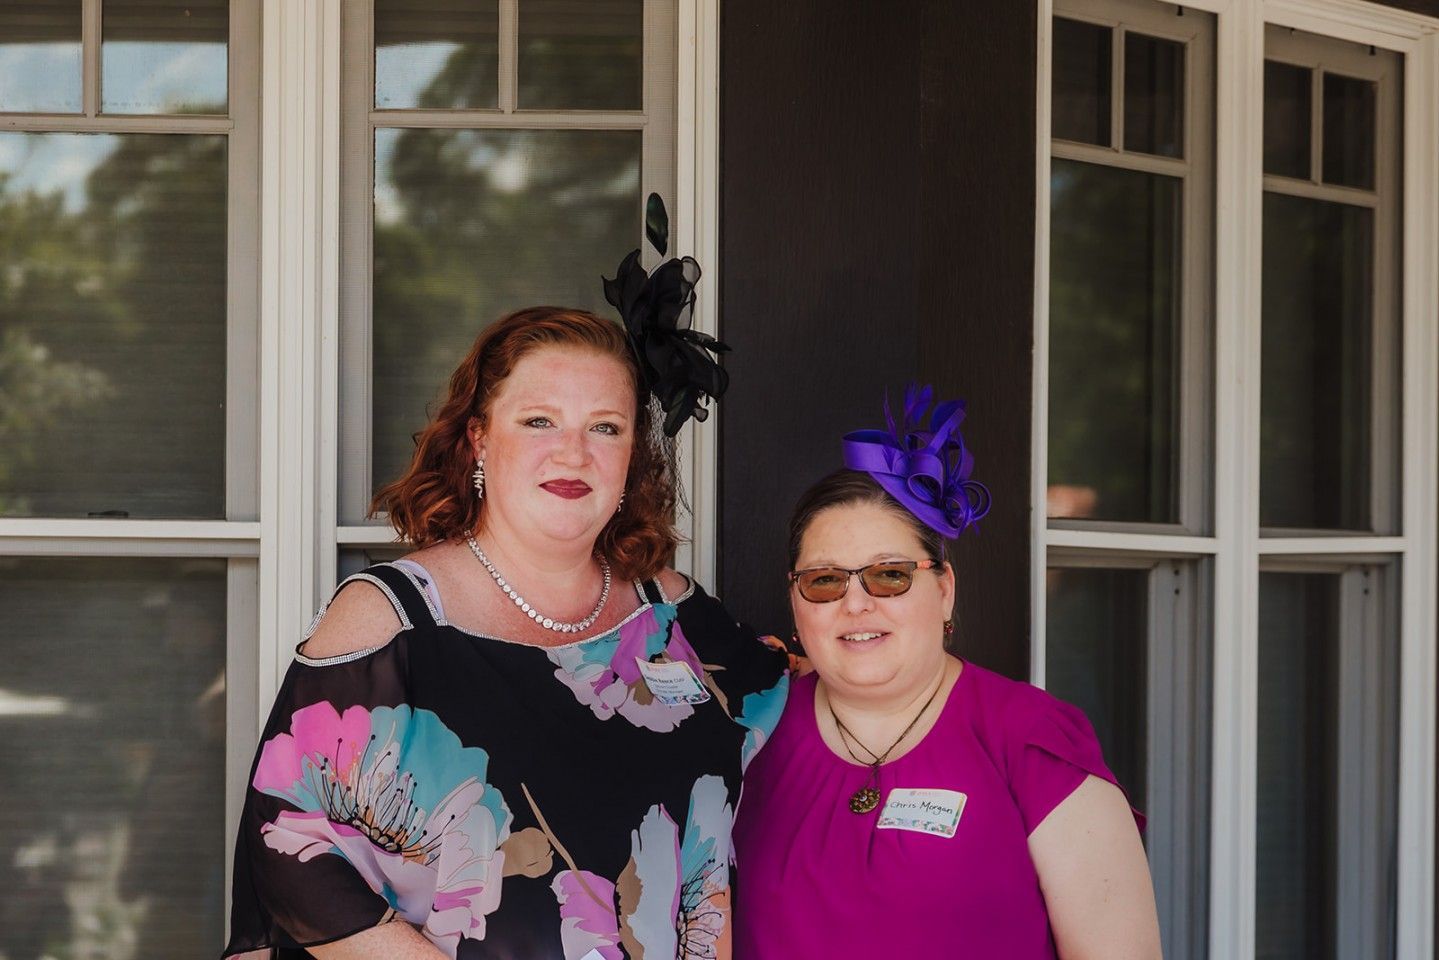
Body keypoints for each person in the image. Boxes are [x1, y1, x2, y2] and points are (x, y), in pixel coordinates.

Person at [223, 204, 790, 959]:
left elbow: (806, 715)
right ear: (478, 438)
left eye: (605, 426)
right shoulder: (392, 621)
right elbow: (290, 855)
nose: (574, 452)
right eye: (539, 421)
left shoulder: (673, 613)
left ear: (632, 458)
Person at [733, 385, 1160, 959]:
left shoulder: (1031, 740)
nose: (856, 604)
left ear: (945, 589)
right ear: (796, 601)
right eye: (825, 580)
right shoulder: (750, 735)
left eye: (889, 576)